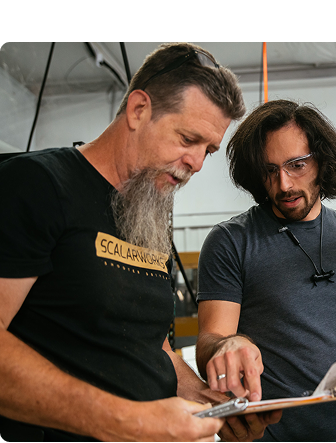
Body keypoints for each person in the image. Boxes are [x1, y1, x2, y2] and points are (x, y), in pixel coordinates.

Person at [0, 42, 280, 441]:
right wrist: (128, 420)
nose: (197, 163)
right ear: (138, 110)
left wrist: (211, 407)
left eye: (209, 150)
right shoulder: (36, 185)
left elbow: (152, 348)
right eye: (188, 138)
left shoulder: (146, 209)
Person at [195, 99, 336, 441]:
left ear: (323, 162)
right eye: (269, 170)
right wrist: (224, 348)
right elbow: (211, 339)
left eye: (296, 165)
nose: (284, 184)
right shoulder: (230, 241)